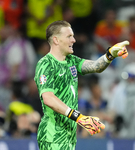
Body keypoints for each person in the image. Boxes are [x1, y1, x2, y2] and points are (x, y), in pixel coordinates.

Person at [34, 20, 129, 150]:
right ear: (56, 40)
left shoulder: (71, 61)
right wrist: (78, 117)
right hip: (53, 136)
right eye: (69, 36)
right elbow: (48, 98)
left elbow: (96, 66)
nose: (74, 40)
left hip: (69, 135)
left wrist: (109, 55)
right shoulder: (46, 64)